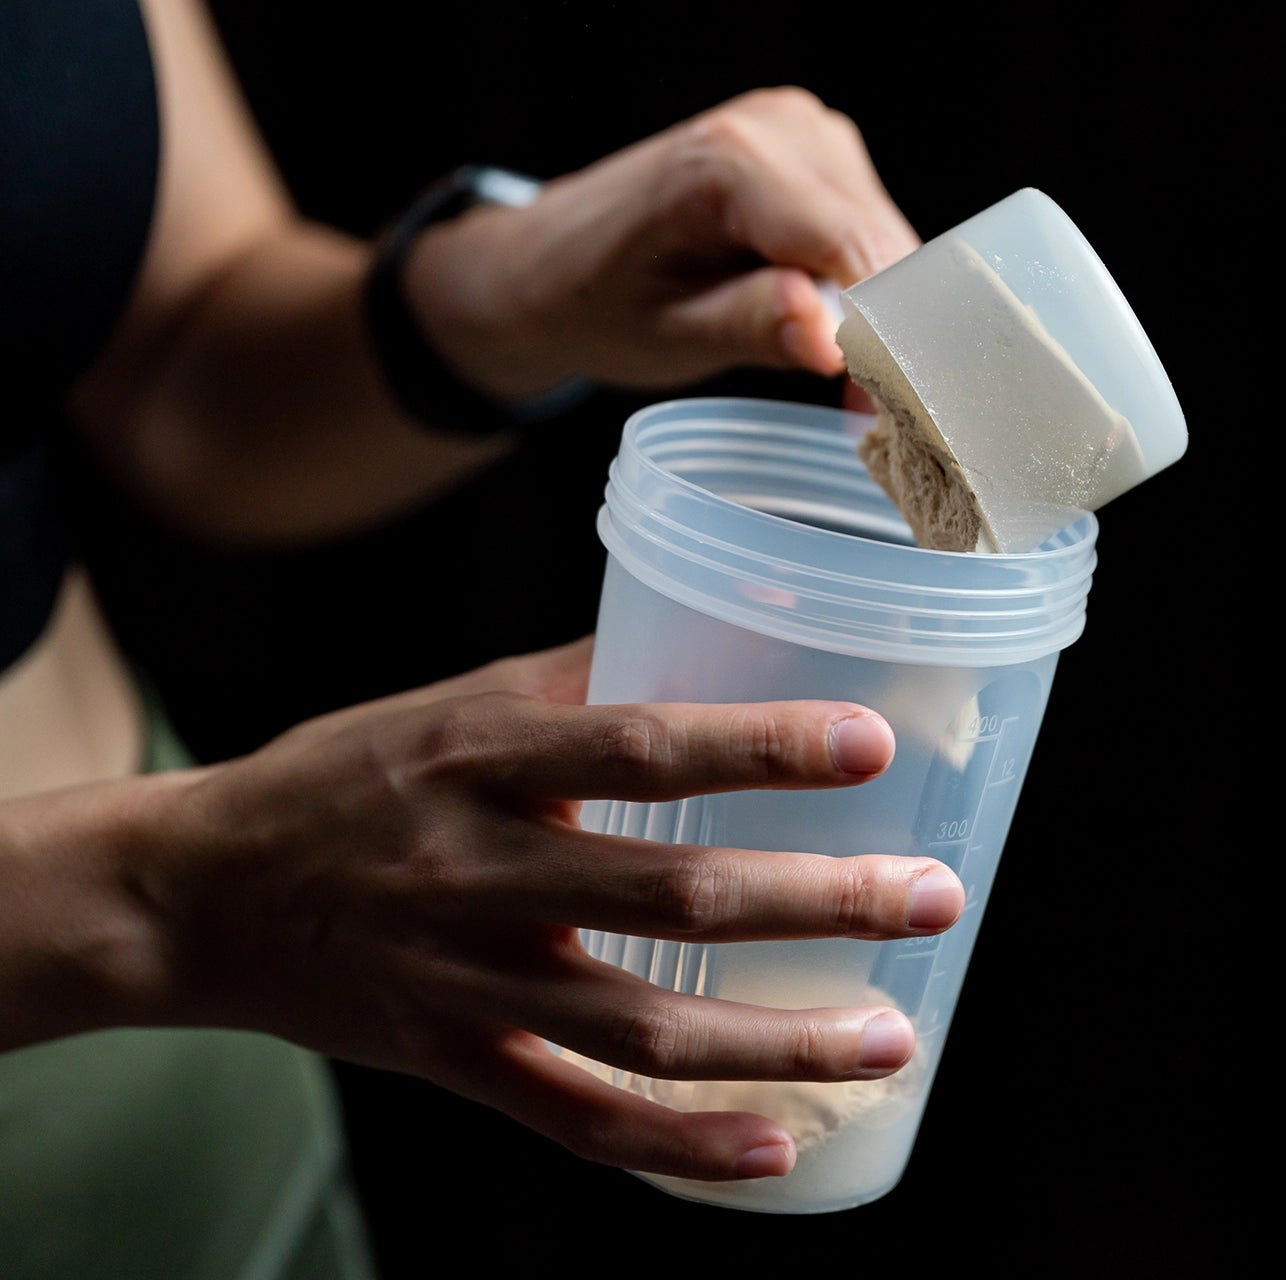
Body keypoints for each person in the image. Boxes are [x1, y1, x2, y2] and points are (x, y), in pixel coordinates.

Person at [0, 0, 949, 1275]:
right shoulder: (203, 899)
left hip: (199, 1095)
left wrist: (500, 291)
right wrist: (173, 896)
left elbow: (173, 353)